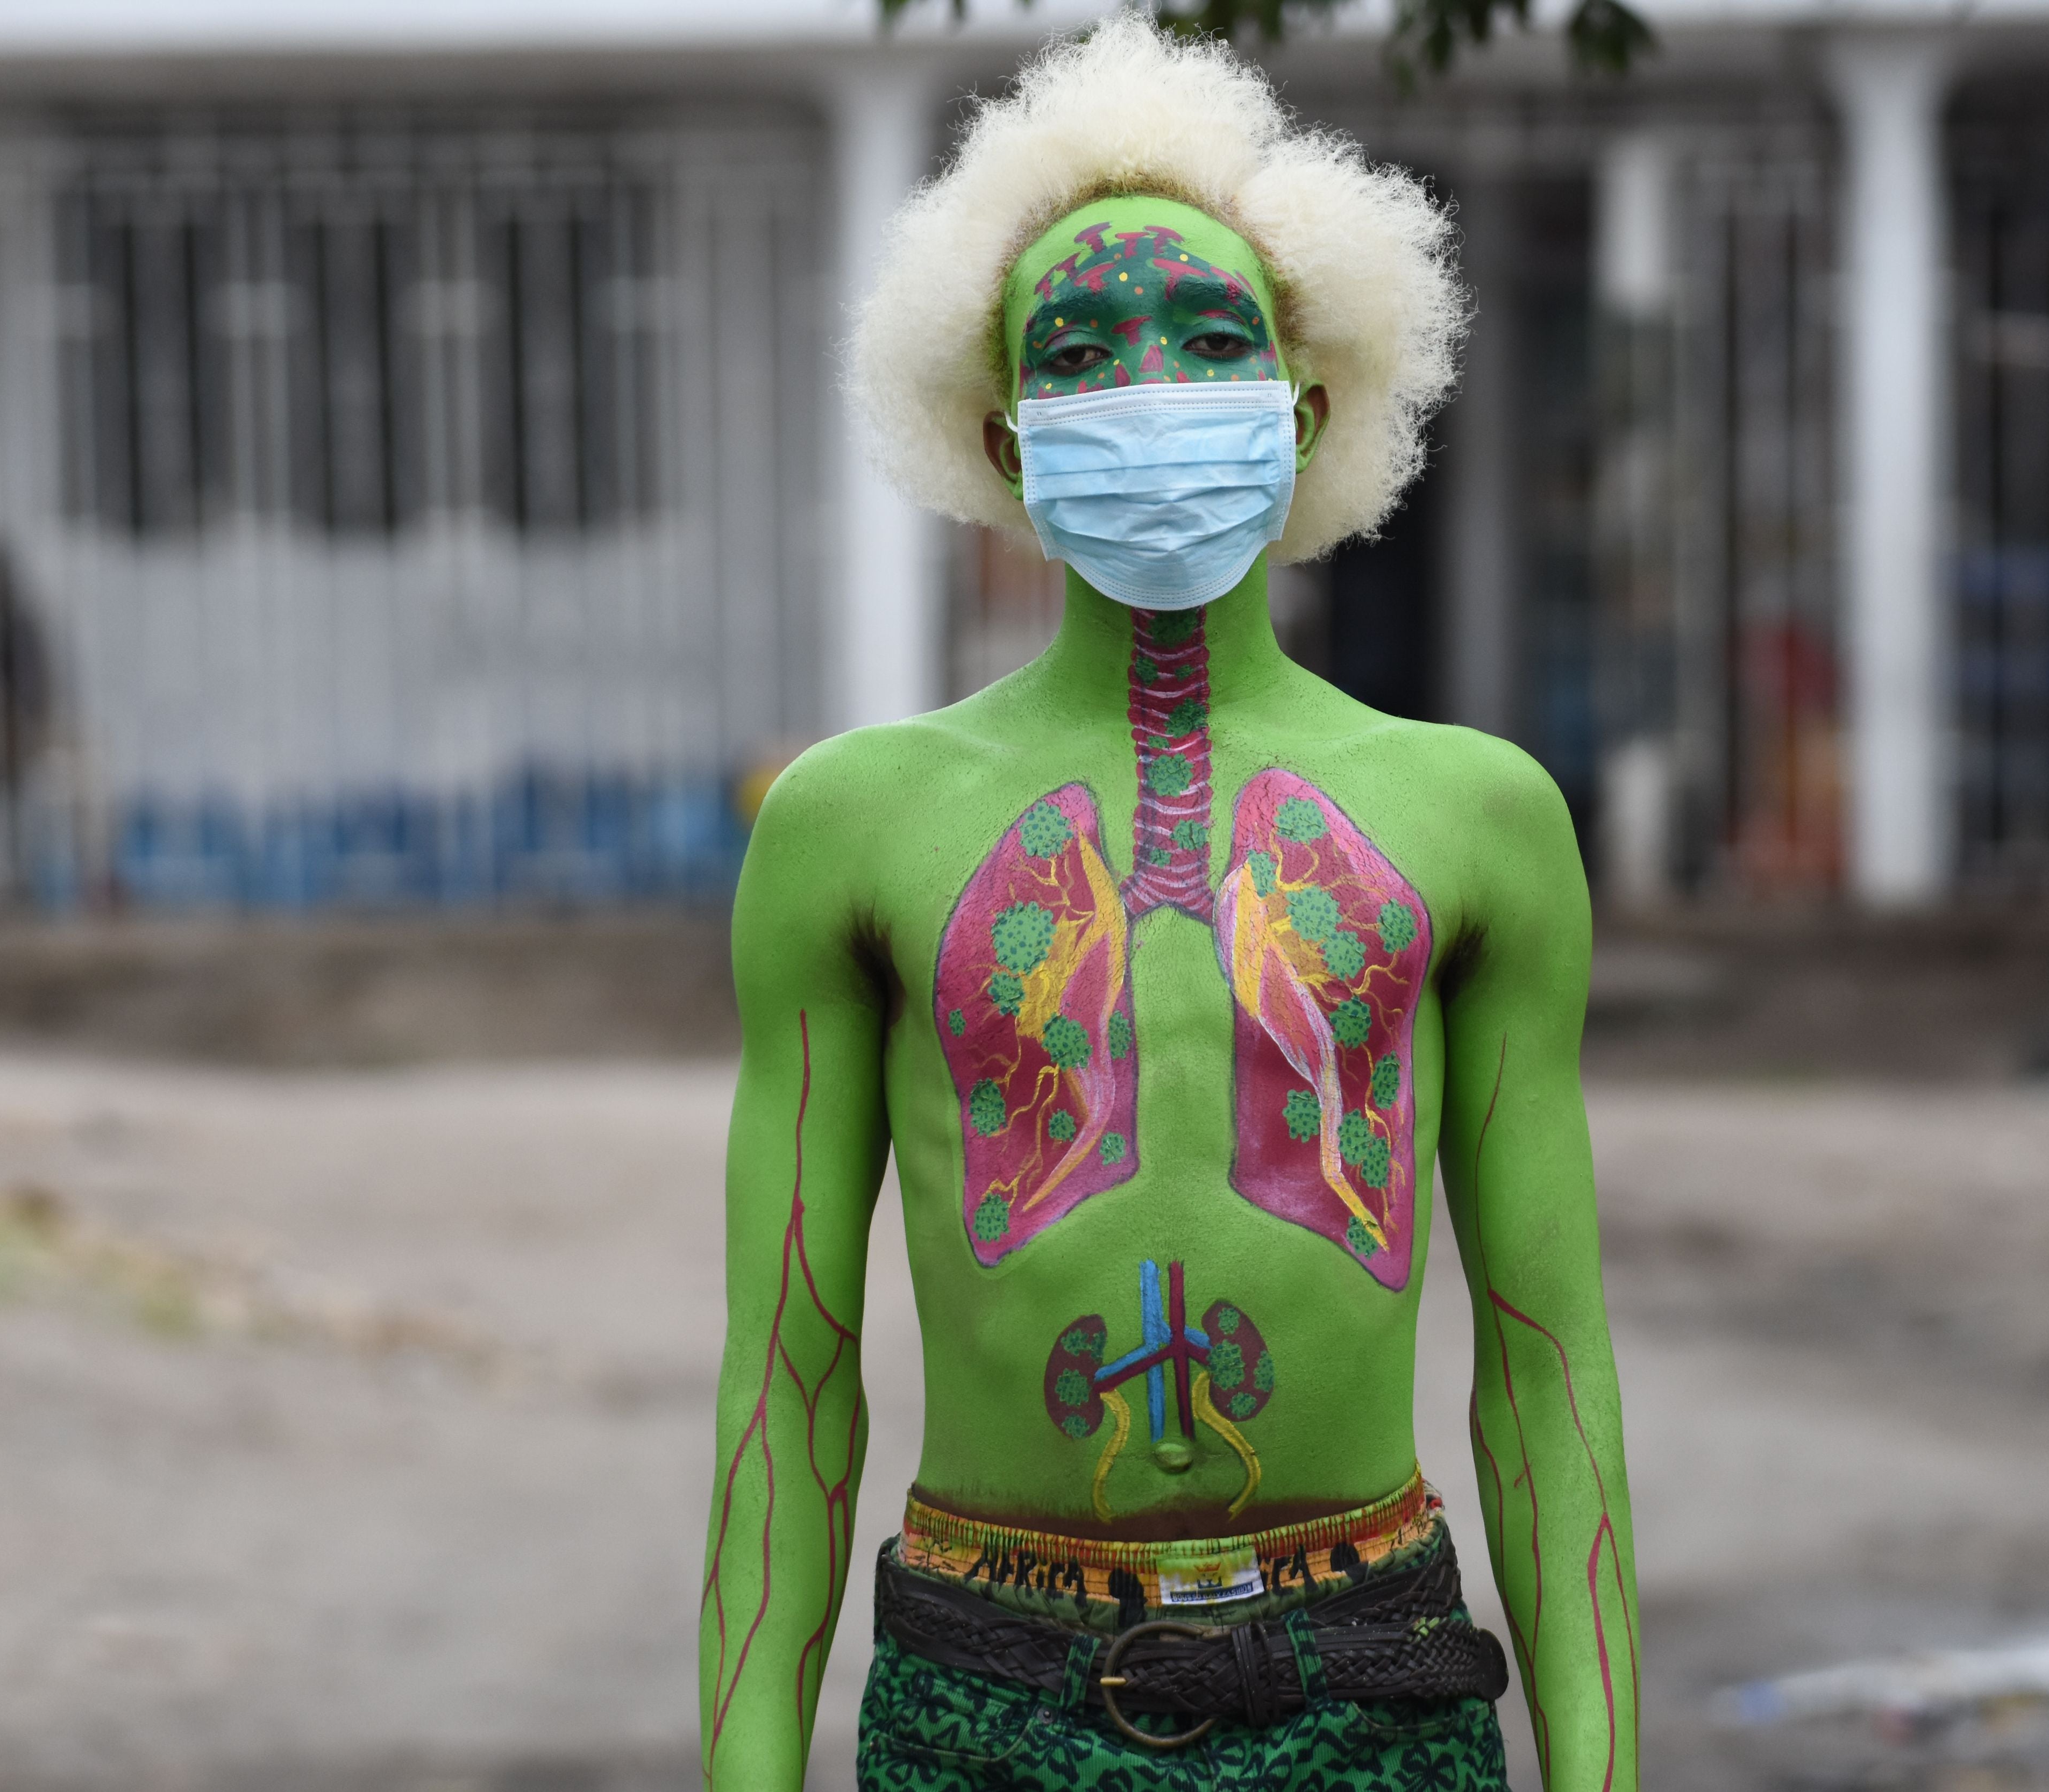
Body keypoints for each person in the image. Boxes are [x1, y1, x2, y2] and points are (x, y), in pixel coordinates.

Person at [696, 20, 1638, 1790]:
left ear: (1306, 406)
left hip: (1377, 1679)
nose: (1150, 388)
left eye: (1210, 339)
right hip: (983, 1694)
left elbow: (1547, 1366)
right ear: (1001, 430)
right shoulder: (850, 823)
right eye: (1082, 349)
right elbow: (785, 1378)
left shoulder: (1479, 815)